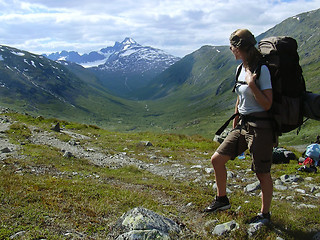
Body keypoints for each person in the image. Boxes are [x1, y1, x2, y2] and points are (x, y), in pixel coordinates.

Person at [204, 29, 275, 224]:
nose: (230, 49)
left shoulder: (262, 70)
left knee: (262, 172)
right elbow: (239, 97)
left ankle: (265, 214)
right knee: (217, 160)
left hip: (260, 127)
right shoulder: (240, 68)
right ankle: (222, 199)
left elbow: (267, 103)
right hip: (243, 125)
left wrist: (252, 84)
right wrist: (235, 125)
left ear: (241, 47)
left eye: (233, 46)